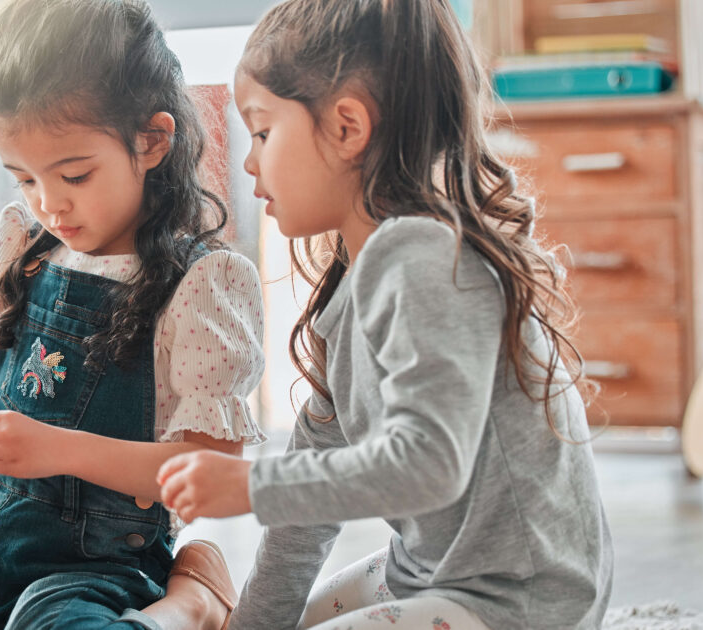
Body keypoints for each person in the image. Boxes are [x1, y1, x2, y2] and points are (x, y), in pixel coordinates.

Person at [157, 1, 615, 628]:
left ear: (347, 127)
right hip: (428, 573)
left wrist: (251, 487)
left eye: (263, 131)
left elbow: (429, 463)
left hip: (519, 600)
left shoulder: (424, 258)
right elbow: (302, 519)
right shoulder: (350, 293)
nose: (249, 161)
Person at [0, 1, 265, 629]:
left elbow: (212, 469)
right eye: (25, 180)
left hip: (94, 572)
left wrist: (57, 449)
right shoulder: (28, 246)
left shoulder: (201, 282)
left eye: (73, 174)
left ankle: (192, 604)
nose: (49, 204)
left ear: (151, 141)